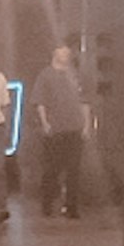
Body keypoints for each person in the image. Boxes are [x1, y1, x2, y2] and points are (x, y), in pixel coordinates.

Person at [32, 44, 89, 219]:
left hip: (74, 128)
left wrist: (86, 125)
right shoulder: (45, 75)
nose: (66, 54)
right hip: (55, 129)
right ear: (54, 53)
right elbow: (40, 101)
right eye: (62, 51)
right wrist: (45, 122)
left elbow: (84, 102)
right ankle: (47, 204)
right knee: (52, 169)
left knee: (74, 170)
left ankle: (72, 206)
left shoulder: (75, 76)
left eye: (67, 52)